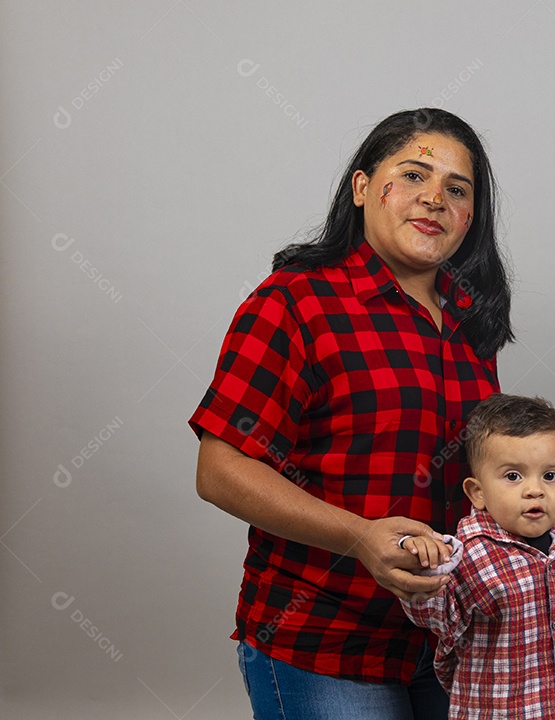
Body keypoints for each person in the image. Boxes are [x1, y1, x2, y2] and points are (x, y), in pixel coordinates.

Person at [189, 108, 513, 720]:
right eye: (413, 175)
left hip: (452, 640)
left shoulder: (470, 318)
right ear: (363, 188)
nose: (435, 199)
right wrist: (359, 537)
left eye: (457, 188)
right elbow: (219, 468)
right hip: (324, 638)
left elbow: (481, 474)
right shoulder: (294, 301)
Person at [400, 393, 555, 719]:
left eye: (550, 476)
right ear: (478, 493)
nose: (535, 490)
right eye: (513, 476)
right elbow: (439, 617)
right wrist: (426, 571)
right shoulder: (470, 554)